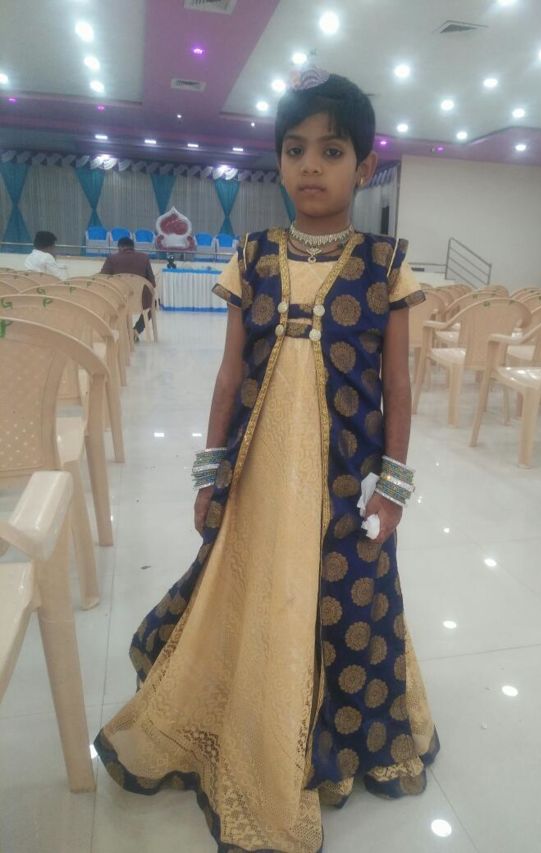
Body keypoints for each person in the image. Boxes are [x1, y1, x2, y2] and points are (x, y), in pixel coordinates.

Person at [94, 69, 440, 853]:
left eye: (331, 150)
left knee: (348, 596)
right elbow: (228, 374)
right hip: (256, 471)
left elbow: (397, 384)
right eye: (294, 149)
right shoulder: (252, 256)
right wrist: (208, 470)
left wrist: (393, 488)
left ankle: (332, 731)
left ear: (366, 164)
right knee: (248, 584)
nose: (310, 165)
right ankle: (250, 703)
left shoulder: (385, 264)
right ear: (278, 161)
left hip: (347, 480)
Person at [100, 236, 156, 339]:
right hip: (140, 301)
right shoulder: (144, 258)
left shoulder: (112, 258)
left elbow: (102, 279)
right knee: (153, 303)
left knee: (111, 302)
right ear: (133, 247)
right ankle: (136, 330)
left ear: (120, 247)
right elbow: (152, 283)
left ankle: (124, 332)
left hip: (118, 300)